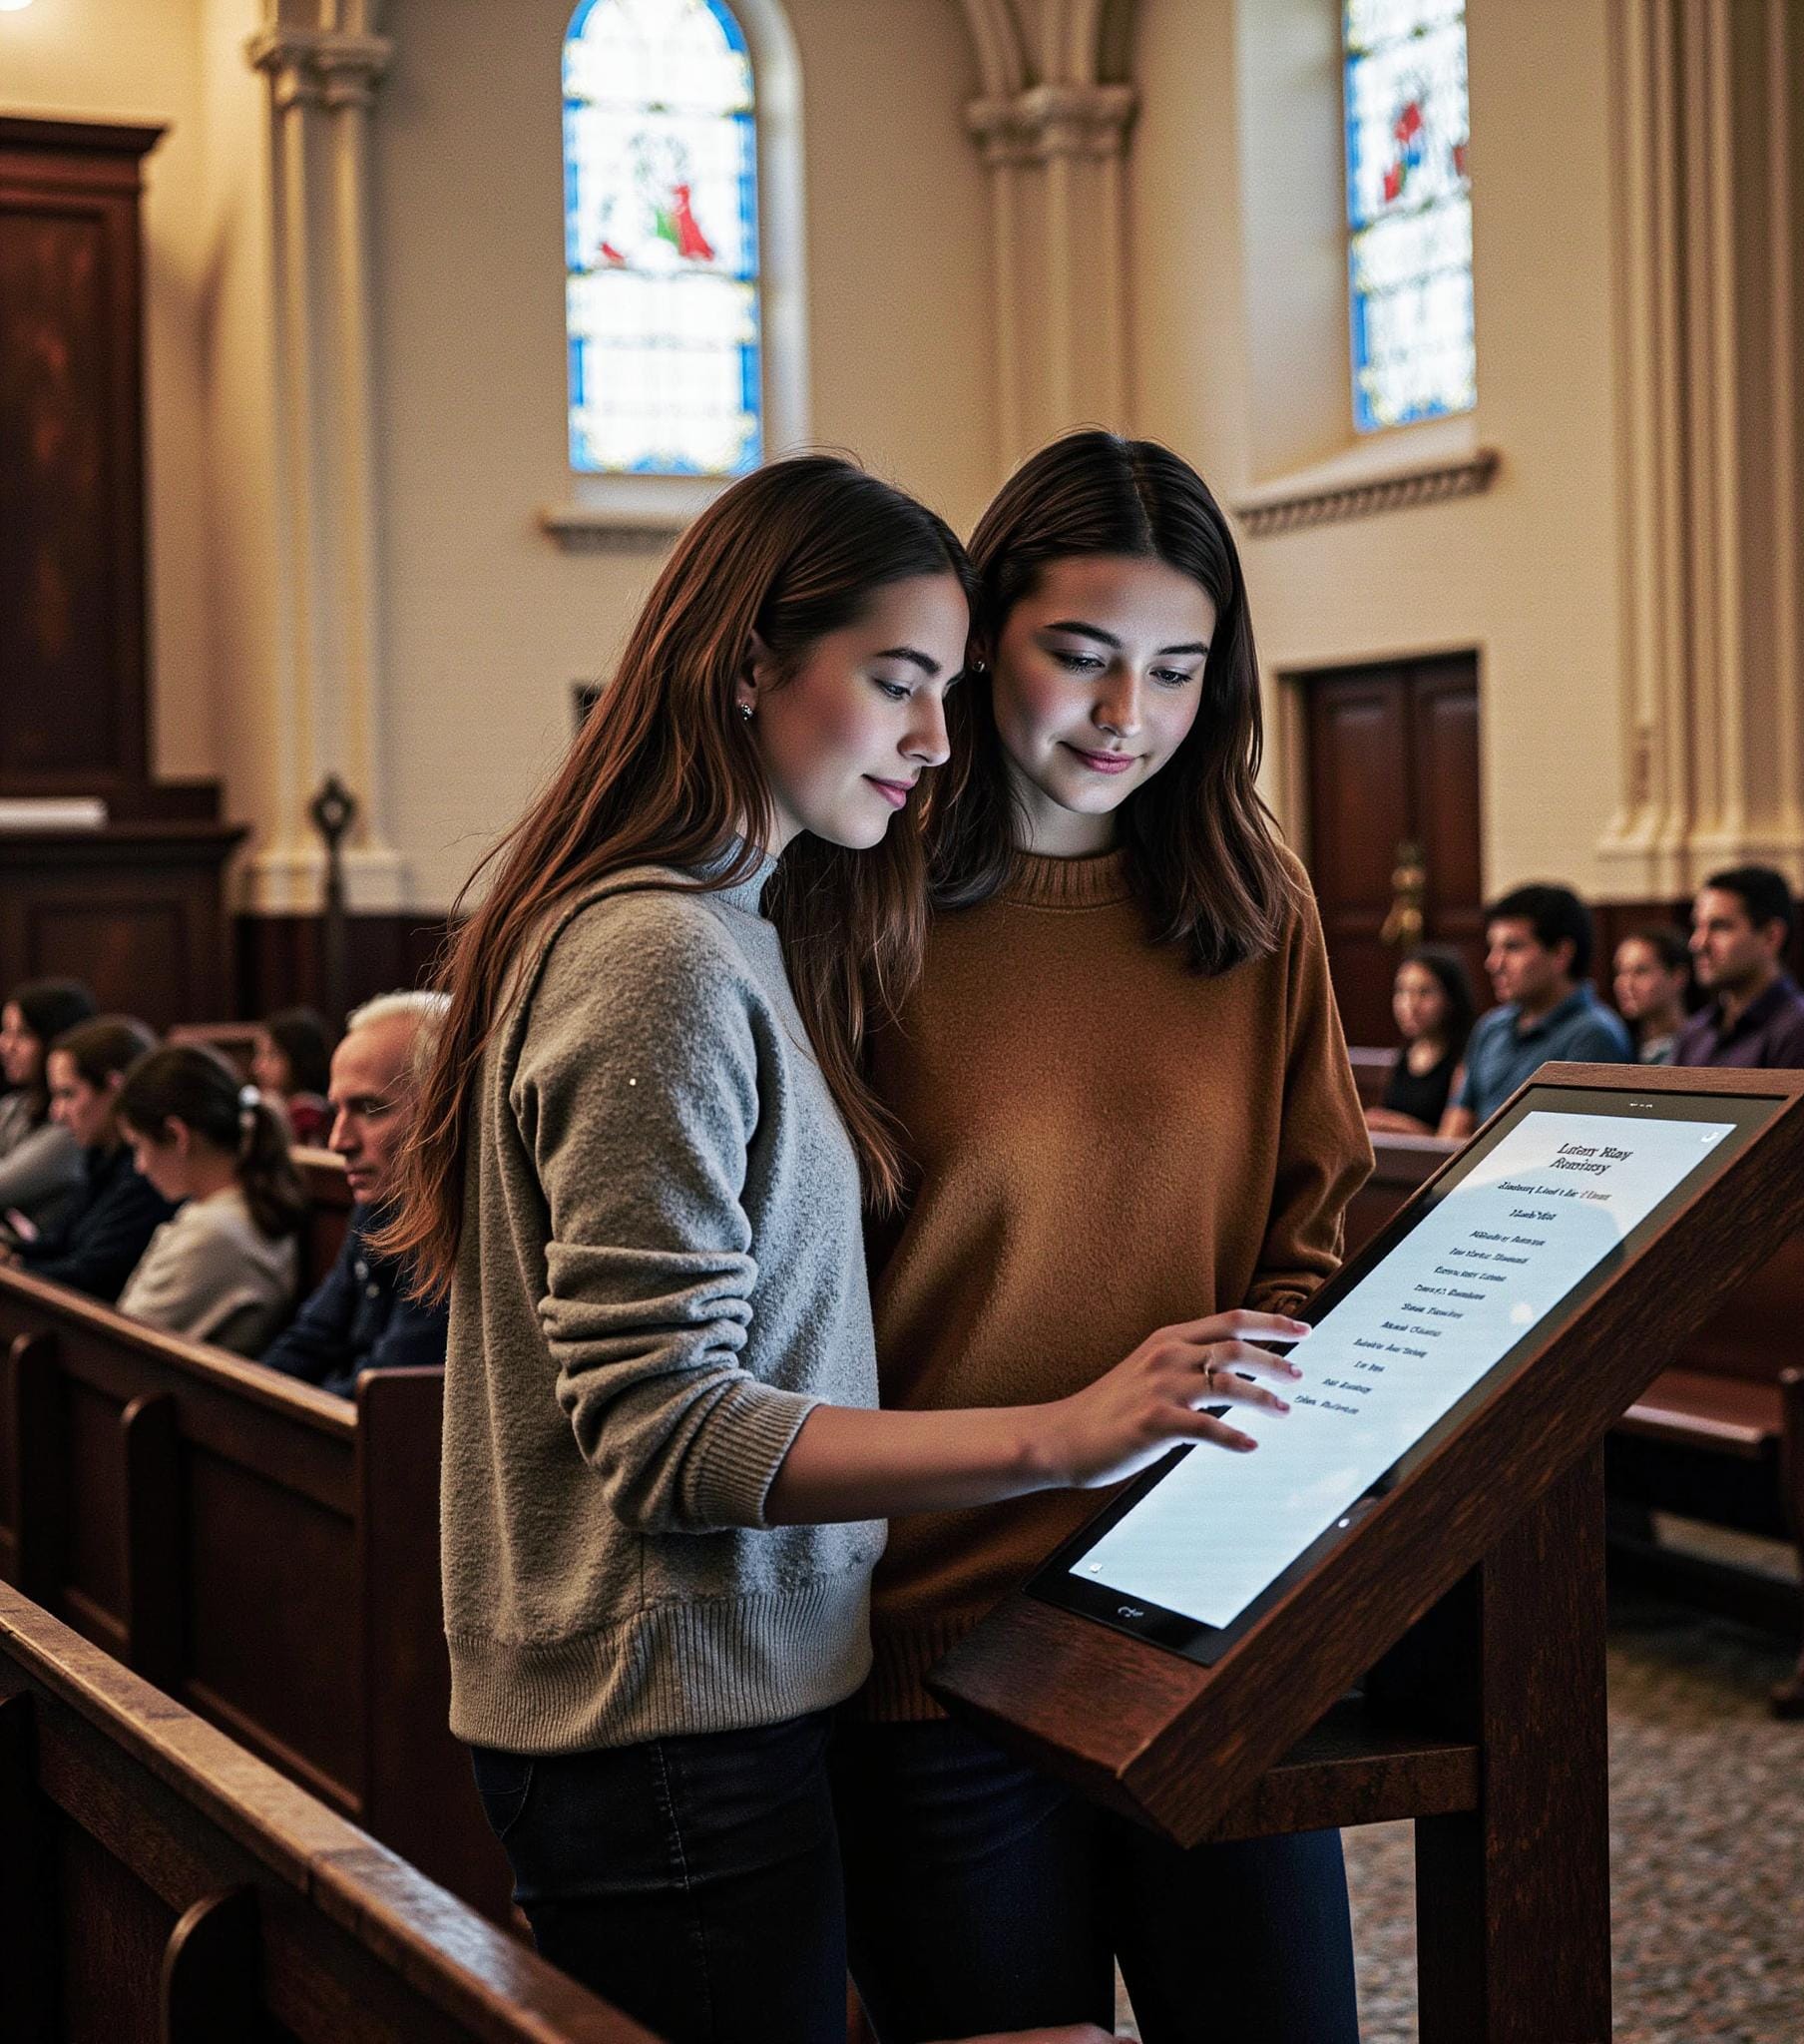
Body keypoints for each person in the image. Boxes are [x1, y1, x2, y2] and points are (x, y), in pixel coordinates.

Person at [374, 454, 1304, 2044]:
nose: (933, 737)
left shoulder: (720, 916)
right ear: (750, 665)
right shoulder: (694, 941)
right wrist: (1066, 1432)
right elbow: (664, 1424)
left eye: (1176, 668)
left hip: (862, 1653)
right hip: (719, 1688)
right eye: (903, 683)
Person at [836, 431, 1373, 2044]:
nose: (1122, 714)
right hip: (935, 1627)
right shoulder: (857, 894)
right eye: (1078, 654)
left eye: (1175, 668)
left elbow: (1313, 1224)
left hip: (1197, 1613)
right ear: (983, 631)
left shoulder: (1250, 899)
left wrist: (1242, 1426)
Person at [262, 991, 452, 1398]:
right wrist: (247, 1404)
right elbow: (312, 1336)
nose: (337, 1141)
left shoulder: (463, 1228)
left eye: (369, 1108)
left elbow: (388, 1396)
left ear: (446, 1108)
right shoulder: (378, 1205)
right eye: (338, 1111)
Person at [115, 1044, 305, 1356]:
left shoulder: (212, 1232)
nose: (140, 1166)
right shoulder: (238, 1205)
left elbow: (120, 1347)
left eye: (138, 1146)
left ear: (177, 1136)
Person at [1438, 883, 1629, 1139]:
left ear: (1561, 953)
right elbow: (1455, 1128)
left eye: (1513, 947)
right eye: (1493, 948)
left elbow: (1572, 1146)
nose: (1494, 963)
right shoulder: (1491, 1027)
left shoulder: (1594, 1034)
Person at [4, 1017, 175, 1300]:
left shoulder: (147, 1171)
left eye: (68, 1094)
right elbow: (60, 1241)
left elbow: (94, 1275)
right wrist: (13, 1255)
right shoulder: (100, 1157)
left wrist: (16, 1272)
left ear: (115, 1089)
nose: (56, 1113)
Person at [1673, 865, 1804, 1084]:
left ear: (1771, 936)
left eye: (1720, 926)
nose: (1698, 943)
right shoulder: (1696, 1032)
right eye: (1698, 926)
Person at [0, 978, 97, 1236]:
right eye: (5, 1031)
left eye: (22, 1034)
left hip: (38, 1267)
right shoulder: (14, 1106)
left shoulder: (73, 1126)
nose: (7, 1046)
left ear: (55, 1038)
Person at [1369, 944, 1477, 1134]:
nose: (1410, 1004)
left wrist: (1394, 1125)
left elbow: (1452, 1140)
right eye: (1402, 991)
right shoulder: (1405, 1055)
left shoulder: (1463, 1060)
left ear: (1451, 999)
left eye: (1424, 992)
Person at [252, 1005, 336, 1143]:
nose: (258, 1067)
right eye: (259, 1055)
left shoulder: (308, 1114)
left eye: (271, 1055)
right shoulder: (280, 1104)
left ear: (300, 1057)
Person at [1611, 923, 1692, 1064]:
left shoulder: (1698, 1046)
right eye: (1621, 972)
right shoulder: (1619, 1044)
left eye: (1640, 971)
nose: (1626, 984)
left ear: (1678, 977)